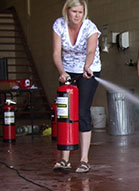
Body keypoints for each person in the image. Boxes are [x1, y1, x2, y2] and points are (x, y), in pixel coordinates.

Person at [52, 0, 101, 173]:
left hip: (88, 70)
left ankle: (84, 159)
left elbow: (91, 51)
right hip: (67, 71)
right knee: (65, 112)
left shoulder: (90, 28)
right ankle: (64, 160)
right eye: (74, 12)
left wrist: (87, 66)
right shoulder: (59, 24)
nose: (77, 16)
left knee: (81, 112)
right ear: (67, 10)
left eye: (80, 12)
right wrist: (62, 72)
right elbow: (57, 53)